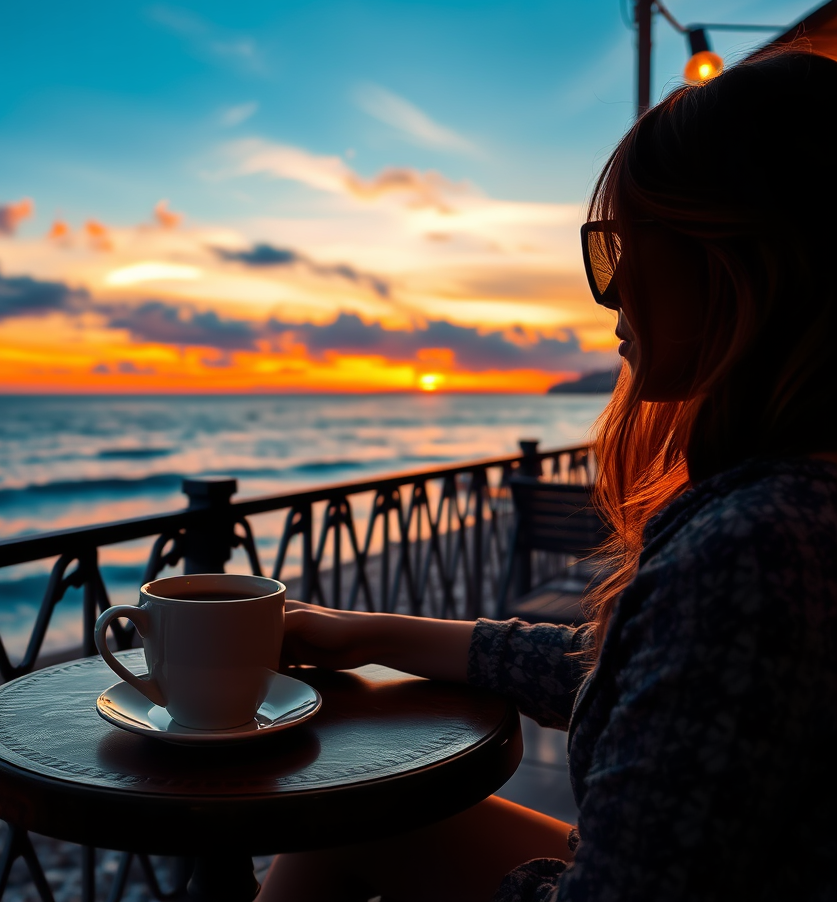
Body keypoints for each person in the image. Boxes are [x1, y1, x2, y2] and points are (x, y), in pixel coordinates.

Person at [259, 50, 837, 902]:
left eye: (621, 247)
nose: (610, 293)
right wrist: (366, 632)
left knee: (335, 813)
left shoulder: (753, 547)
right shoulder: (796, 503)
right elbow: (637, 681)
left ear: (731, 264)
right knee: (345, 814)